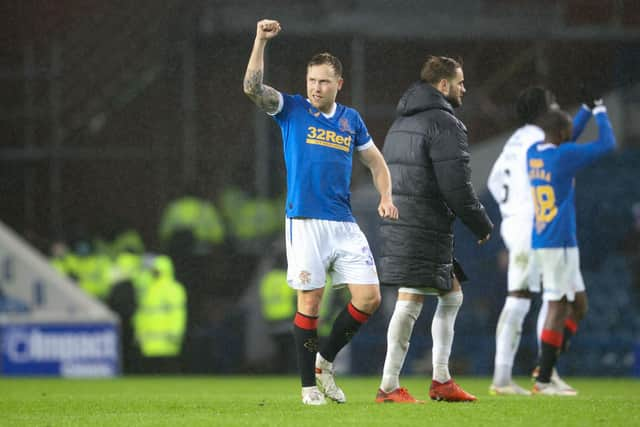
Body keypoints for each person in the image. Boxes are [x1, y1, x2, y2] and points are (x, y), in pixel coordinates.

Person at [243, 19, 398, 405]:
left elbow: (377, 164)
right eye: (312, 80)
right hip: (305, 221)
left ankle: (324, 362)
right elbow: (251, 88)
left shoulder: (350, 120)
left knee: (370, 298)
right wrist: (260, 40)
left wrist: (386, 196)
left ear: (338, 84)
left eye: (324, 81)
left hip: (343, 222)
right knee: (309, 303)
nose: (316, 87)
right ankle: (308, 388)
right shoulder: (291, 109)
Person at [374, 55, 493, 403]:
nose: (464, 88)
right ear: (443, 85)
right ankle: (390, 385)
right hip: (422, 223)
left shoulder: (400, 122)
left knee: (449, 294)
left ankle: (439, 378)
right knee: (411, 302)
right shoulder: (444, 123)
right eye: (460, 82)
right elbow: (455, 185)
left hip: (403, 220)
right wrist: (480, 222)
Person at [528, 102, 615, 395]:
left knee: (579, 305)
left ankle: (547, 369)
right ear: (563, 133)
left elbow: (565, 137)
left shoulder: (534, 153)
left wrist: (584, 110)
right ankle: (544, 379)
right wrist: (600, 112)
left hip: (547, 240)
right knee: (557, 306)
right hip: (558, 242)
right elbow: (607, 143)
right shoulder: (563, 156)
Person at [486, 86, 557, 396]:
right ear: (544, 110)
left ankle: (503, 377)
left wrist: (509, 210)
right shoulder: (539, 141)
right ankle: (546, 374)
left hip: (514, 224)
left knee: (520, 298)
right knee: (551, 297)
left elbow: (493, 180)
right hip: (533, 224)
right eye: (553, 104)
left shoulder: (514, 140)